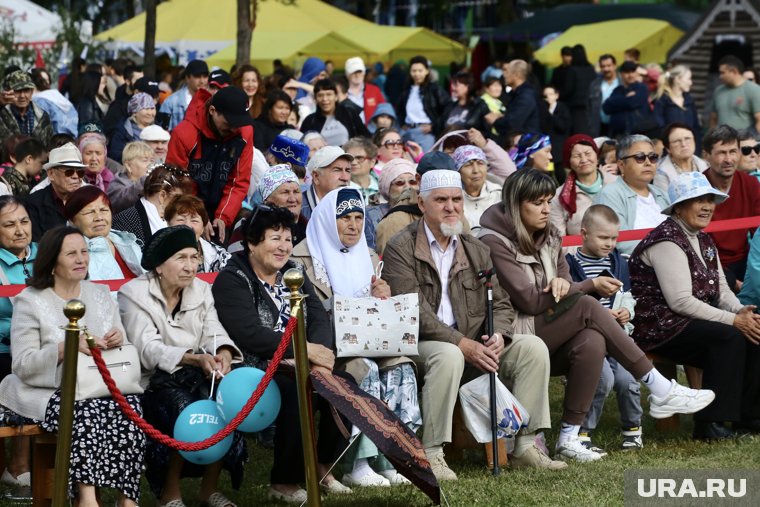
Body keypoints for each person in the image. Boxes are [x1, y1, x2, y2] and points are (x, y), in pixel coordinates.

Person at [478, 169, 716, 461]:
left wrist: (569, 287)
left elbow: (567, 285)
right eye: (536, 203)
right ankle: (658, 386)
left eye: (547, 201)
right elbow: (528, 301)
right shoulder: (494, 240)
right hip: (513, 333)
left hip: (546, 325)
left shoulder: (550, 233)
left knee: (591, 339)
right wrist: (587, 284)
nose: (545, 209)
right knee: (589, 306)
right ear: (516, 204)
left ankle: (569, 437)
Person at [382, 170, 565, 477]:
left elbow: (502, 302)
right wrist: (462, 344)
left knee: (531, 347)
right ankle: (431, 452)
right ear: (421, 203)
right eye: (441, 200)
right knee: (449, 354)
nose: (451, 207)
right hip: (419, 342)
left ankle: (525, 446)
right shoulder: (401, 247)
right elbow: (414, 312)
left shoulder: (474, 248)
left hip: (473, 342)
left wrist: (498, 335)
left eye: (456, 199)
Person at [211, 207, 349, 503]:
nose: (284, 246)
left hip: (303, 359)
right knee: (297, 388)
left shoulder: (292, 274)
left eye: (288, 238)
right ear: (252, 243)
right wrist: (305, 351)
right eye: (275, 238)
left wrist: (320, 357)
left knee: (344, 382)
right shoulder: (233, 279)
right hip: (256, 366)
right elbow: (249, 334)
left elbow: (318, 317)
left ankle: (324, 465)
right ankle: (284, 481)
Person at [0, 226, 144, 505]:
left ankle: (127, 498)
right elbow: (22, 364)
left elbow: (118, 341)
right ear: (53, 260)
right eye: (71, 254)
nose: (81, 259)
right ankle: (86, 497)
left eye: (84, 252)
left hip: (99, 384)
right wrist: (64, 349)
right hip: (46, 389)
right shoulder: (30, 301)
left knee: (131, 405)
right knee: (85, 410)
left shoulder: (100, 293)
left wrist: (117, 339)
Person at [290, 187, 419, 487]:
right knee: (365, 370)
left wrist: (383, 295)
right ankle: (356, 461)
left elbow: (378, 305)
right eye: (344, 217)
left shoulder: (369, 253)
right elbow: (305, 315)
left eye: (359, 217)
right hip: (330, 348)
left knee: (402, 367)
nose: (353, 225)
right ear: (325, 220)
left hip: (371, 340)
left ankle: (391, 457)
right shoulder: (302, 257)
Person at [629, 171, 760, 439]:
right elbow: (680, 301)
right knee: (729, 337)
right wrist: (733, 321)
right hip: (660, 326)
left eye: (710, 200)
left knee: (754, 331)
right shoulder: (667, 238)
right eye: (698, 200)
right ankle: (709, 424)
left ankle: (750, 417)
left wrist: (741, 312)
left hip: (691, 320)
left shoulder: (704, 238)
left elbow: (721, 288)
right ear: (678, 207)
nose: (707, 206)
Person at [118, 226, 243, 506]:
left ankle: (209, 489)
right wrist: (192, 358)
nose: (190, 267)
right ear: (160, 266)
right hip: (152, 380)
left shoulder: (202, 290)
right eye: (181, 258)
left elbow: (214, 330)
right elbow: (146, 348)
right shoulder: (133, 294)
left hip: (199, 372)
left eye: (193, 257)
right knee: (187, 409)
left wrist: (222, 353)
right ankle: (169, 492)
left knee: (226, 402)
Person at [565, 205, 643, 452]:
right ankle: (583, 432)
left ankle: (633, 429)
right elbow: (570, 301)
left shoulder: (619, 262)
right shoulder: (569, 264)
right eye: (603, 237)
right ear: (584, 233)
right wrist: (600, 314)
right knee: (602, 380)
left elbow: (628, 295)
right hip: (590, 340)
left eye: (614, 238)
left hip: (618, 336)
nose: (609, 243)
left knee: (628, 380)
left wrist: (627, 312)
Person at [166, 86, 253, 243]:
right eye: (229, 122)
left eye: (238, 123)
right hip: (187, 209)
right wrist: (197, 216)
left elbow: (238, 182)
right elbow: (176, 184)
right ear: (212, 111)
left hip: (223, 208)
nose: (233, 128)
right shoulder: (185, 133)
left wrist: (223, 217)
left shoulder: (245, 132)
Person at [0, 197, 35, 489]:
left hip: (44, 344)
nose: (19, 230)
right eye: (9, 224)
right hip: (3, 349)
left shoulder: (48, 255)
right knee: (20, 373)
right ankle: (14, 465)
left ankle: (23, 464)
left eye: (24, 221)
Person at [701, 125, 760, 291]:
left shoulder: (751, 184)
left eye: (733, 151)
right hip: (708, 267)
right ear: (706, 156)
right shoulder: (698, 188)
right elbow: (697, 245)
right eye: (721, 153)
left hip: (746, 262)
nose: (729, 159)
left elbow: (758, 233)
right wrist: (732, 282)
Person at [593, 135, 670, 255]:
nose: (648, 163)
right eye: (640, 157)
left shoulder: (662, 194)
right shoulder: (610, 195)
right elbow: (620, 243)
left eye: (653, 157)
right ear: (622, 165)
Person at [64, 186, 144, 280]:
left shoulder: (126, 240)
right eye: (89, 212)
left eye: (104, 210)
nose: (99, 218)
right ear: (72, 221)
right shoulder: (72, 255)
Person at [551, 135, 617, 243]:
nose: (584, 160)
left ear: (597, 156)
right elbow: (559, 242)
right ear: (569, 162)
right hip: (581, 255)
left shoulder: (617, 184)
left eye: (588, 153)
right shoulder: (559, 197)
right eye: (577, 156)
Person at [112, 164, 191, 246]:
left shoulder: (175, 220)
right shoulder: (125, 222)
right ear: (162, 195)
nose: (181, 203)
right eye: (178, 198)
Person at [25, 142, 87, 241]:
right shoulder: (33, 203)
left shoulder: (89, 200)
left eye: (80, 172)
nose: (76, 176)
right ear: (51, 174)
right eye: (69, 171)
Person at [373, 158, 425, 255]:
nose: (407, 187)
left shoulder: (426, 211)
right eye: (400, 183)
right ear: (388, 188)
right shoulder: (373, 215)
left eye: (412, 182)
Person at [395, 56, 449, 151]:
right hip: (408, 131)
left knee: (425, 161)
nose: (417, 74)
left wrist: (434, 126)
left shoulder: (434, 89)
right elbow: (399, 110)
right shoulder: (406, 90)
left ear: (427, 71)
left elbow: (447, 110)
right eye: (414, 71)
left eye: (420, 71)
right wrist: (402, 123)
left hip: (426, 132)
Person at [165, 195, 230, 273]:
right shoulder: (157, 255)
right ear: (168, 224)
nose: (188, 226)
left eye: (194, 221)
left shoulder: (220, 257)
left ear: (203, 228)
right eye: (181, 219)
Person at [301, 79, 369, 147]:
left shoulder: (349, 114)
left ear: (336, 97)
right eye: (320, 95)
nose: (325, 99)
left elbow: (365, 137)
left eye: (329, 94)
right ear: (315, 99)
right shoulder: (310, 121)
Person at [603, 61, 658, 139]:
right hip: (619, 134)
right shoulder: (617, 90)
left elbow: (633, 103)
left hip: (640, 133)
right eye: (627, 72)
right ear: (621, 74)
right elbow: (606, 107)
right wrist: (626, 98)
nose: (630, 75)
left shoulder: (641, 87)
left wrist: (616, 102)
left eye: (633, 71)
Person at [453, 145, 500, 231]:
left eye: (480, 163)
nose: (476, 170)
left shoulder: (499, 194)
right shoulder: (452, 199)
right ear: (458, 172)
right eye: (468, 165)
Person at [0, 71, 53, 147]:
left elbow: (48, 146)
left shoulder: (43, 116)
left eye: (26, 90)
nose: (22, 95)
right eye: (17, 91)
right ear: (8, 92)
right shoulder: (2, 114)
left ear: (32, 92)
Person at [653, 65, 701, 150]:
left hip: (690, 151)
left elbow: (696, 128)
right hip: (669, 151)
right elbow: (659, 128)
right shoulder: (662, 101)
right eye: (689, 78)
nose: (691, 82)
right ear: (678, 79)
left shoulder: (689, 100)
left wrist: (697, 150)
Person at [301, 146, 354, 219]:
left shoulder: (357, 206)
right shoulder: (298, 209)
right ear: (316, 177)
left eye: (348, 170)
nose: (345, 178)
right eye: (337, 170)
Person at [653, 122, 708, 192]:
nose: (684, 144)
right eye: (677, 141)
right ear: (668, 148)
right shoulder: (661, 173)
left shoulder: (704, 165)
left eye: (687, 138)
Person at [710, 55, 760, 132]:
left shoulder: (754, 90)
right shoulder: (718, 91)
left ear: (734, 71)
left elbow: (759, 119)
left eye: (723, 73)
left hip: (745, 140)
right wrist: (712, 138)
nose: (720, 76)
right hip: (721, 140)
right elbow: (713, 118)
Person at [493, 59, 540, 135]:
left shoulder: (526, 95)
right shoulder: (516, 93)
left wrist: (495, 120)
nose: (503, 75)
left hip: (526, 143)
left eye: (506, 71)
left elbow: (513, 124)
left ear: (516, 75)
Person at [160, 59, 209, 131]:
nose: (202, 81)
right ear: (187, 78)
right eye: (197, 76)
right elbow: (163, 133)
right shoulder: (171, 102)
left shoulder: (211, 100)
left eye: (205, 76)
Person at [107, 141, 154, 213]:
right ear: (128, 166)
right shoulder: (116, 184)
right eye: (145, 160)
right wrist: (146, 180)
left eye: (152, 161)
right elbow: (125, 199)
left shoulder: (153, 183)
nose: (150, 165)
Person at [110, 92, 157, 164]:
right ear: (134, 112)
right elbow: (115, 154)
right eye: (146, 109)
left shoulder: (158, 130)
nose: (150, 113)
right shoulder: (123, 131)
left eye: (152, 108)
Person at [561, 45, 597, 135]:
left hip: (576, 108)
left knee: (578, 134)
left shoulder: (571, 70)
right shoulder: (591, 68)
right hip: (591, 105)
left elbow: (568, 89)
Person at [540, 85, 572, 177]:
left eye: (550, 94)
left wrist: (551, 114)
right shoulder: (542, 109)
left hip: (559, 147)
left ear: (556, 95)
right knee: (548, 172)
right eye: (545, 95)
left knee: (559, 172)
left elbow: (563, 127)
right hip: (548, 147)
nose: (548, 97)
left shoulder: (563, 108)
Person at [344, 57, 386, 125]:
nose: (357, 75)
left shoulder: (374, 90)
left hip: (371, 131)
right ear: (347, 75)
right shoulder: (341, 93)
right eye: (353, 72)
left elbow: (384, 110)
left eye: (359, 71)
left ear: (364, 73)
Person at [588, 54, 619, 137]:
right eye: (603, 66)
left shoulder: (622, 83)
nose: (606, 69)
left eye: (609, 66)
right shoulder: (595, 84)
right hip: (599, 126)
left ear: (615, 66)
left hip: (618, 126)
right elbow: (588, 106)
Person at [343, 137, 379, 203]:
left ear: (372, 162)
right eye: (349, 158)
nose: (353, 162)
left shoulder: (383, 187)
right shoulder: (340, 189)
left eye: (359, 158)